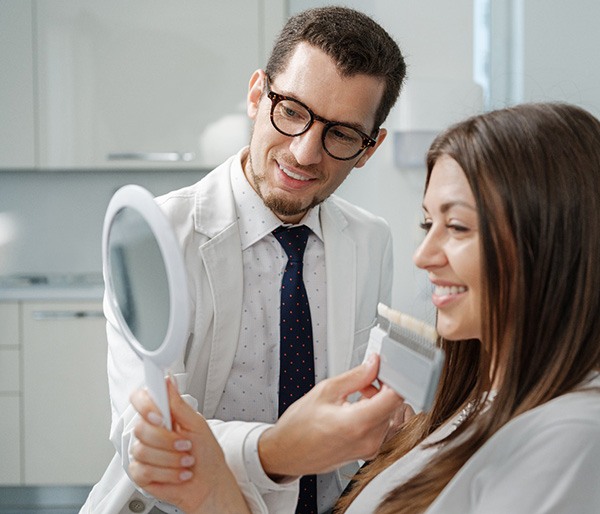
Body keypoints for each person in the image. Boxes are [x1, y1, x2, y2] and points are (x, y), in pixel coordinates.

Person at [125, 102, 600, 513]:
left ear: (554, 242)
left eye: (456, 227)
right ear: (258, 97)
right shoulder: (477, 400)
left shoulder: (572, 440)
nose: (424, 256)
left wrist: (216, 492)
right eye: (427, 222)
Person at [82, 6, 407, 514]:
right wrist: (279, 451)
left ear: (369, 148)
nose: (304, 153)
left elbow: (357, 410)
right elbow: (150, 441)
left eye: (341, 134)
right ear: (257, 95)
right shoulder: (159, 234)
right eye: (293, 111)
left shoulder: (371, 240)